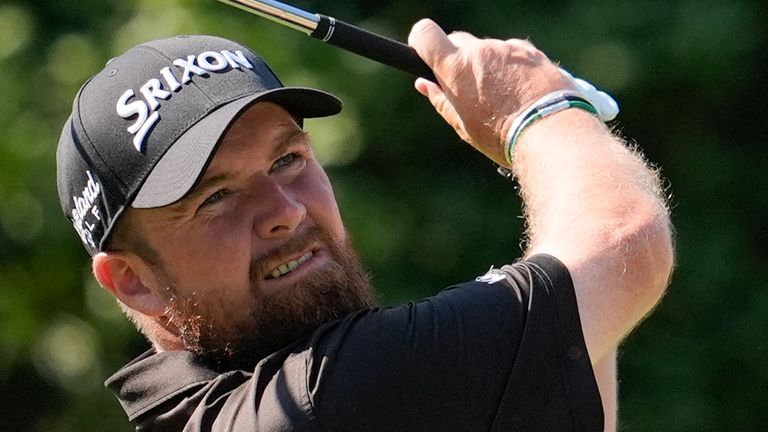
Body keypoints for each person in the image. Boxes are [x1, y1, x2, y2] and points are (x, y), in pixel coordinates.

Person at [56, 19, 673, 432]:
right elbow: (626, 246)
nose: (286, 212)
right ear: (131, 280)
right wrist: (540, 111)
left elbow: (581, 330)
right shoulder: (317, 399)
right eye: (215, 198)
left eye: (287, 160)